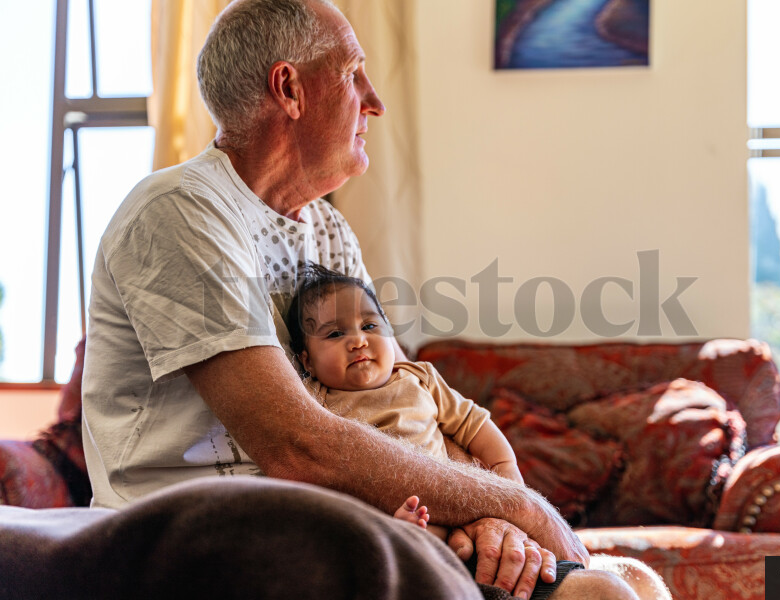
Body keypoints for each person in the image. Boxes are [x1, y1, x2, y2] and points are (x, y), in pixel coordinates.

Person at [81, 0, 669, 598]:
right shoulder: (180, 211)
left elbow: (403, 403)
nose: (375, 101)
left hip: (330, 523)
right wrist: (523, 508)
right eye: (353, 72)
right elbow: (297, 446)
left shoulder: (328, 231)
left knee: (635, 581)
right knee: (603, 595)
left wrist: (486, 517)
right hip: (205, 544)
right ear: (289, 88)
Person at [287, 263, 523, 488]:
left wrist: (505, 466)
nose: (359, 341)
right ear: (308, 361)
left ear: (389, 332)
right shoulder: (316, 401)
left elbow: (474, 424)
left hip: (445, 494)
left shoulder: (420, 378)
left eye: (369, 326)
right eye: (336, 333)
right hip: (375, 504)